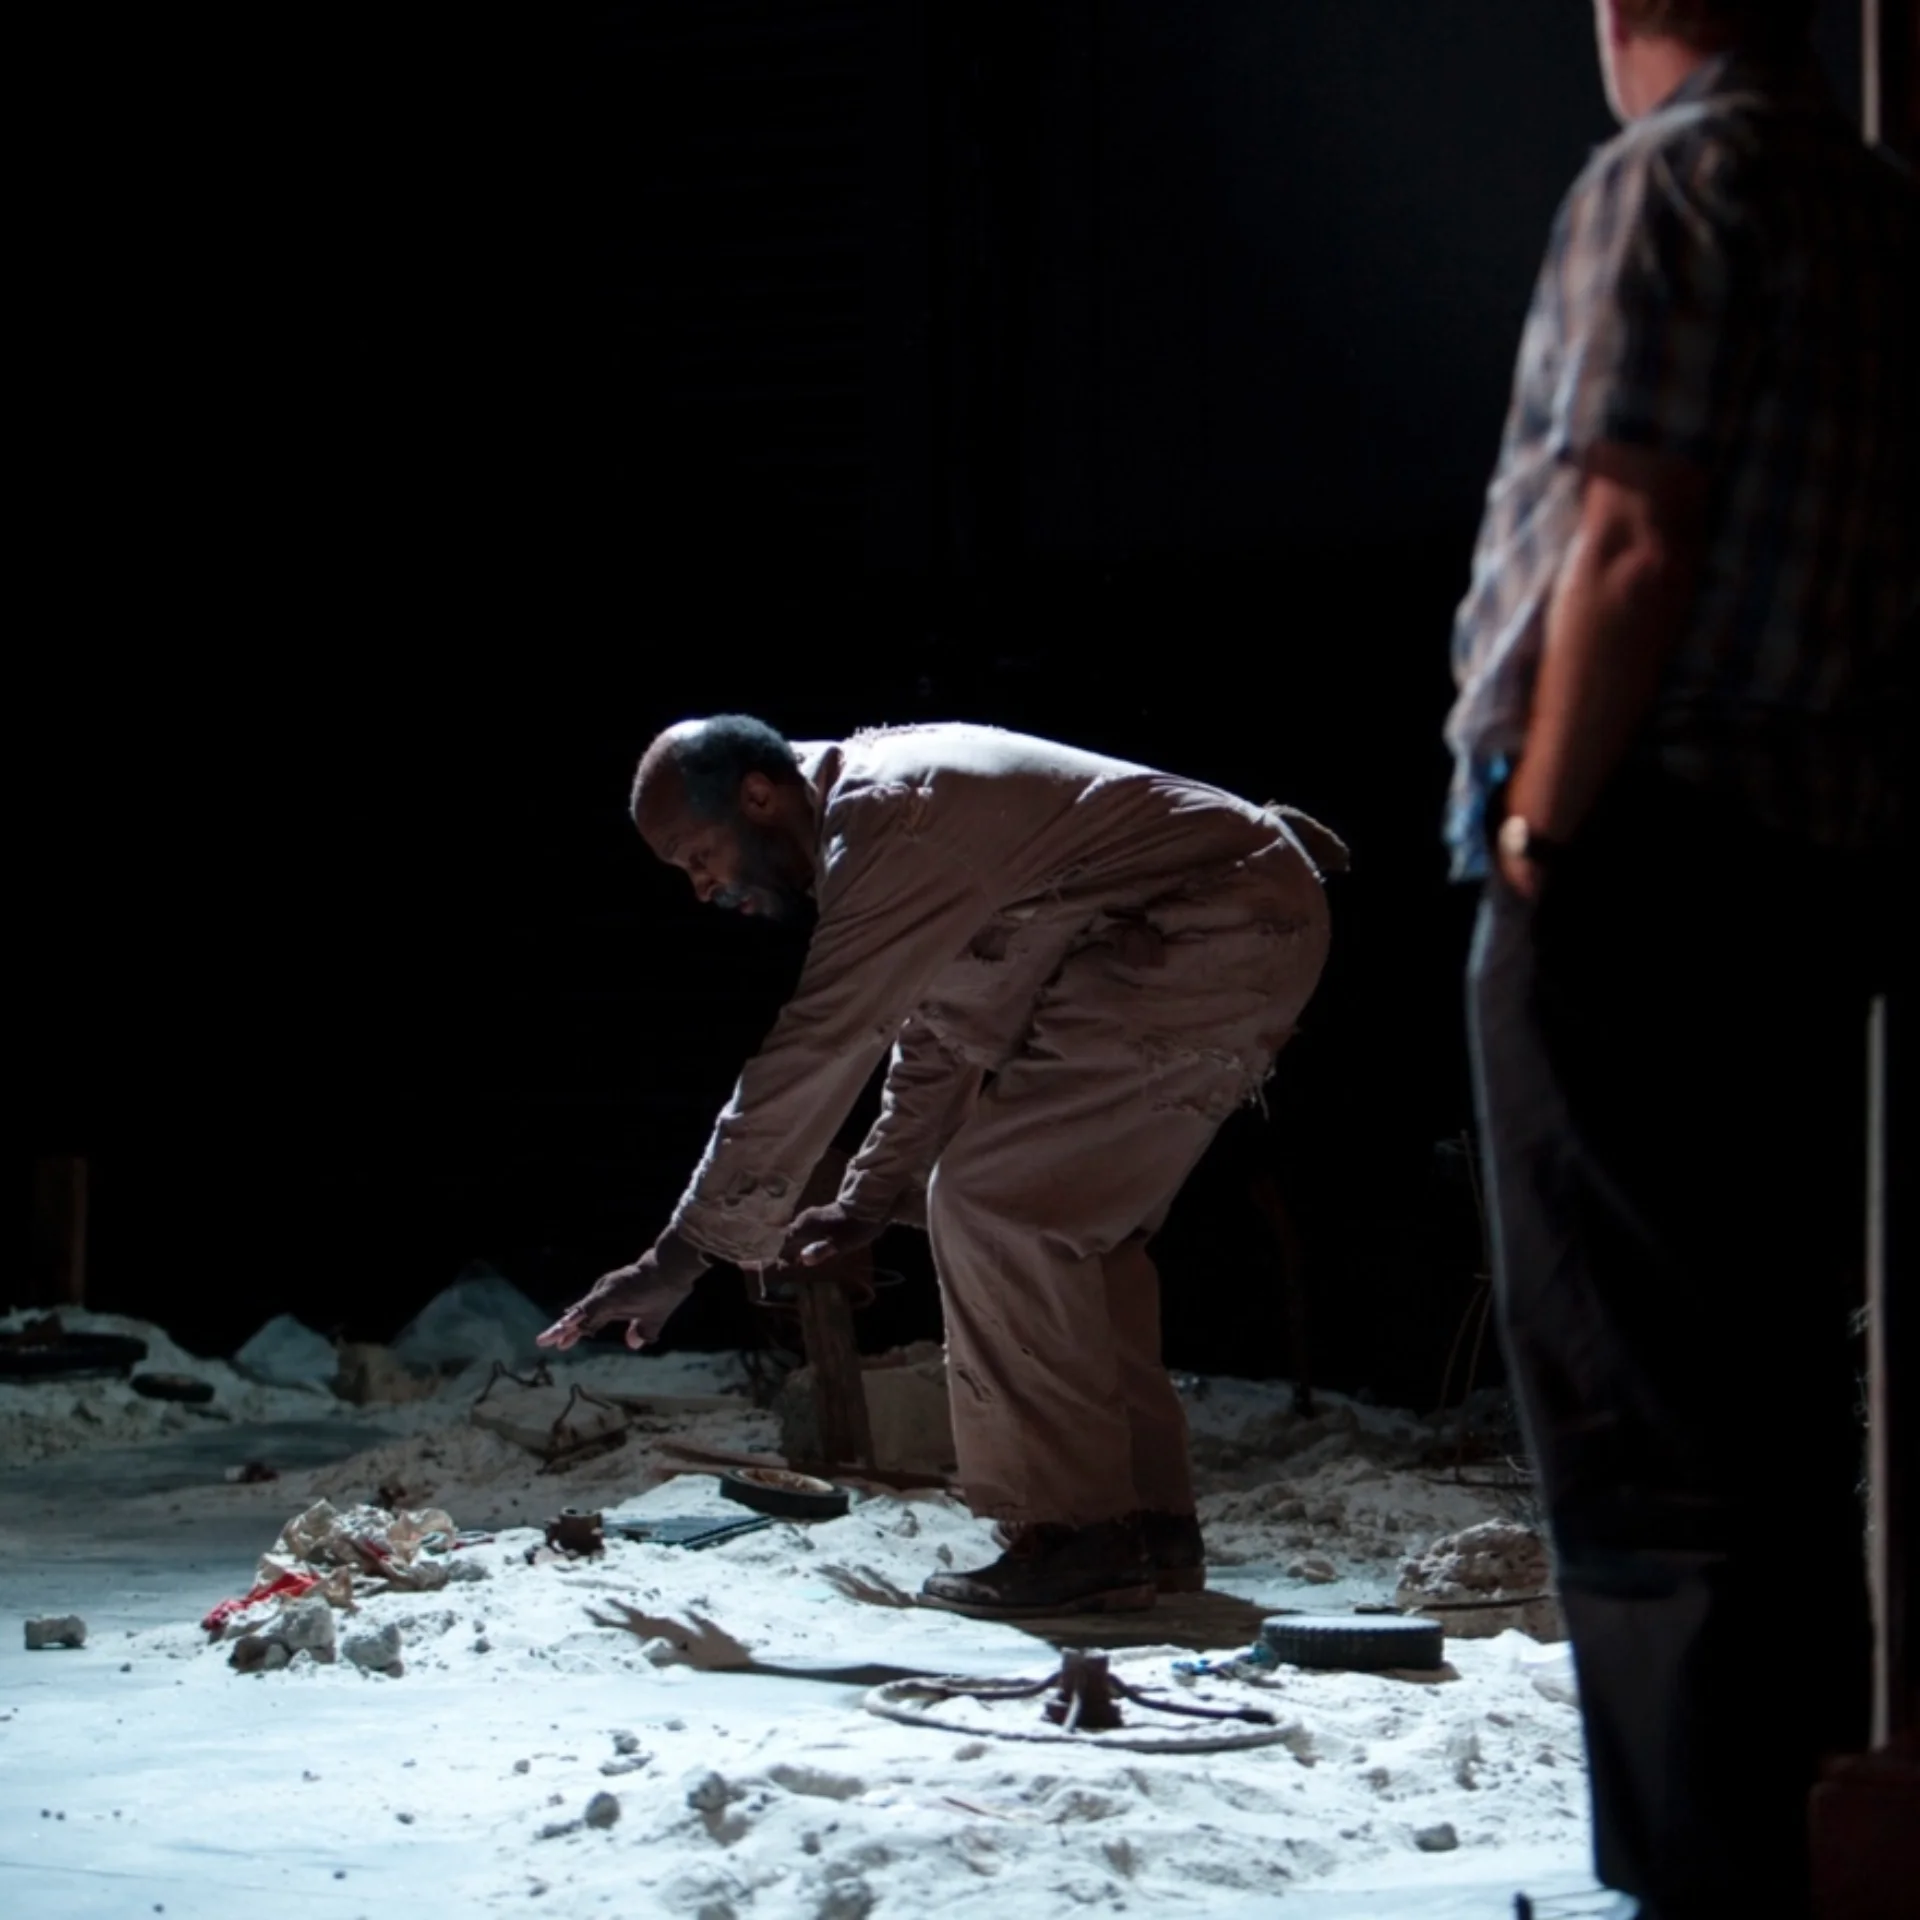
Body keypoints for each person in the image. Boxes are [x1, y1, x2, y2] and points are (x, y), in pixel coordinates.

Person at [1447, 2, 1915, 1915]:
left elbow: (1628, 530)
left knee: (1637, 1422)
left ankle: (1695, 1875)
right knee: (1777, 1407)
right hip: (1824, 853)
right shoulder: (1884, 208)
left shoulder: (1673, 179)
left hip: (1645, 847)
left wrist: (1547, 828)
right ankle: (1800, 1852)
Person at [538, 716, 1344, 1617]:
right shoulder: (886, 826)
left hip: (1217, 923)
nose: (703, 889)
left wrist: (677, 1257)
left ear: (757, 798)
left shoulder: (890, 817)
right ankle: (1147, 1525)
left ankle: (1076, 1534)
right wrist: (867, 1199)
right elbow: (944, 1029)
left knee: (997, 1203)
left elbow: (822, 1043)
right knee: (1065, 1222)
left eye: (697, 855)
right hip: (1208, 924)